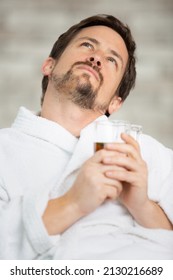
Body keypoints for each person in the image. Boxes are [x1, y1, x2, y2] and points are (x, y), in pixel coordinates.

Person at [0, 14, 173, 260]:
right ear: (49, 65)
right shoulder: (4, 150)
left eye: (112, 59)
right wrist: (74, 203)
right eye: (87, 45)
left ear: (115, 102)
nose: (96, 58)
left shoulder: (144, 154)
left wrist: (142, 205)